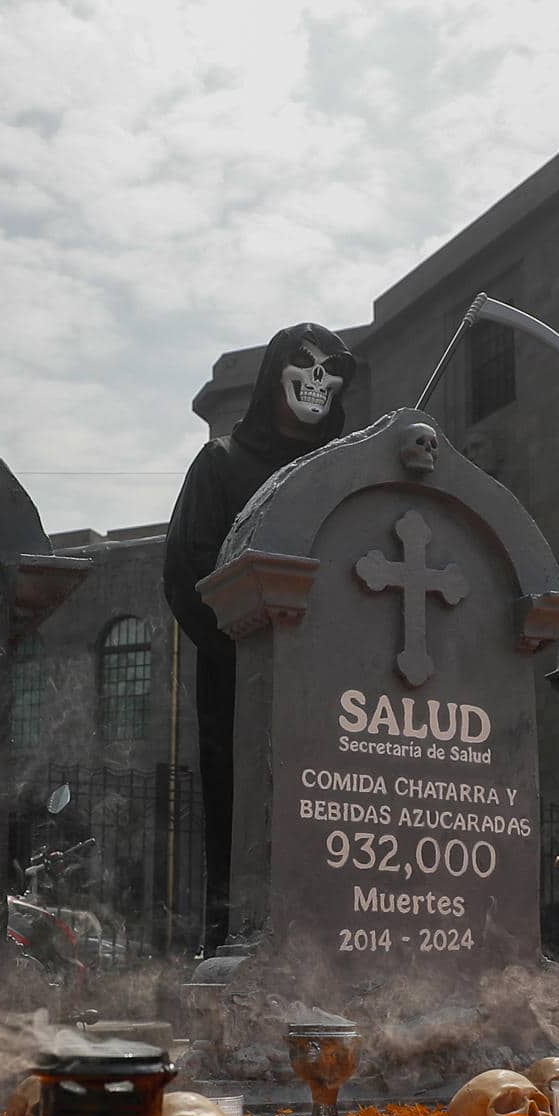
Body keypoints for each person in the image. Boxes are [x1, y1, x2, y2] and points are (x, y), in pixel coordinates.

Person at [163, 323, 355, 952]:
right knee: (244, 818)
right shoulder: (220, 465)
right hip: (241, 685)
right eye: (305, 364)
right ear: (276, 373)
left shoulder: (346, 474)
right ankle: (232, 943)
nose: (320, 378)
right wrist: (253, 655)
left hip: (336, 694)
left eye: (334, 368)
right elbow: (187, 574)